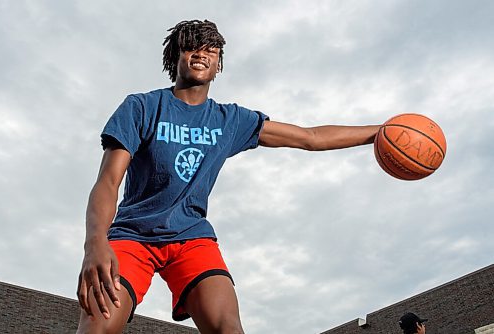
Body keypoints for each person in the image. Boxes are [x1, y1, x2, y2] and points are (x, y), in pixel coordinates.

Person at [76, 19, 381, 334]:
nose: (201, 53)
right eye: (192, 46)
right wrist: (95, 243)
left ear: (219, 63)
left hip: (191, 238)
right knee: (98, 326)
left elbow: (310, 137)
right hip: (133, 235)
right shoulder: (141, 107)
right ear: (175, 55)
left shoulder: (229, 120)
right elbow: (108, 182)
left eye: (211, 49)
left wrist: (379, 132)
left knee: (229, 329)